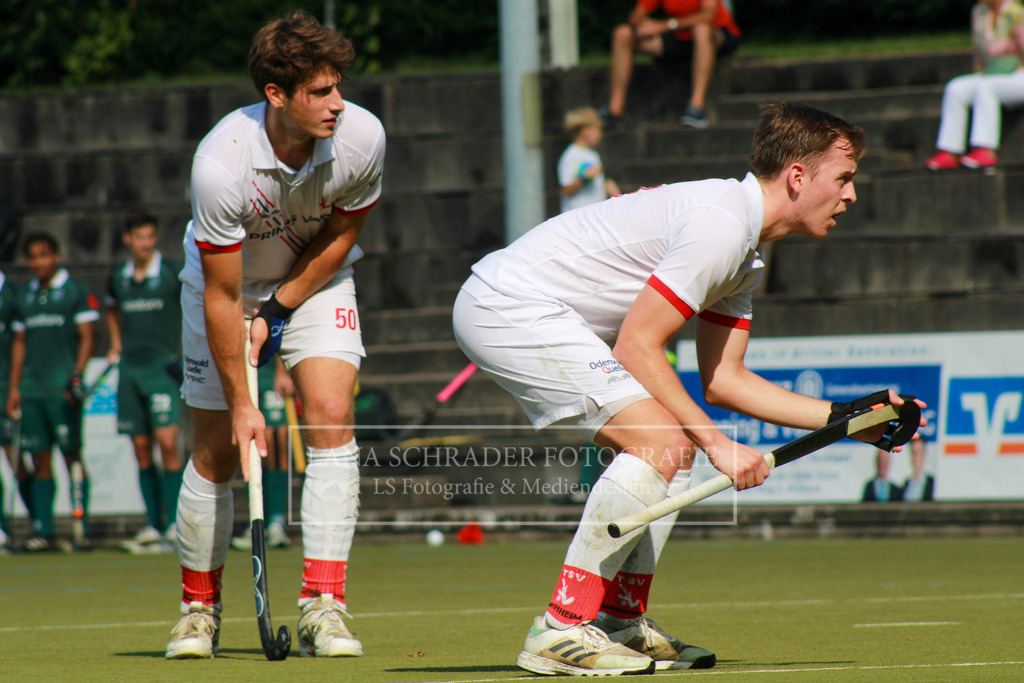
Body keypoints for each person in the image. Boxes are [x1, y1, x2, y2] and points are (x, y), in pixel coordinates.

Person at [453, 103, 927, 676]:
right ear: (798, 176)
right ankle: (562, 626)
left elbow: (725, 380)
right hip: (508, 306)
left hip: (533, 309)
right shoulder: (721, 227)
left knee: (668, 452)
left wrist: (848, 417)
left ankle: (615, 621)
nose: (851, 196)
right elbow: (637, 346)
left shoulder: (745, 251)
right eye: (844, 178)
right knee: (664, 442)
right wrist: (715, 444)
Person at [164, 9, 385, 660]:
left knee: (330, 410)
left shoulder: (362, 137)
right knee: (218, 448)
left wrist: (282, 307)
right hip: (224, 287)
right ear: (276, 95)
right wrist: (243, 403)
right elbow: (224, 292)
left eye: (338, 86)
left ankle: (324, 605)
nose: (337, 104)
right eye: (320, 92)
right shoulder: (221, 163)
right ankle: (197, 611)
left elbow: (343, 233)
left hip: (313, 279)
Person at [6, 233, 100, 552]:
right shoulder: (25, 295)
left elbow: (87, 336)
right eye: (33, 257)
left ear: (56, 256)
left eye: (44, 256)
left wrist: (76, 375)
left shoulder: (74, 290)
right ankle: (43, 530)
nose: (39, 263)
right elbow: (19, 343)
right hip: (32, 389)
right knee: (39, 459)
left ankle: (79, 527)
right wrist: (15, 387)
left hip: (62, 391)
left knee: (72, 454)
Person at [105, 213, 185, 554]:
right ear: (128, 239)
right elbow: (111, 309)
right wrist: (115, 342)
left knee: (168, 444)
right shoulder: (118, 278)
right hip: (130, 372)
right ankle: (154, 524)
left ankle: (176, 525)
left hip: (161, 370)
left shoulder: (170, 273)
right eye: (140, 237)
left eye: (151, 236)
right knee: (140, 449)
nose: (146, 243)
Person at [600, 0, 741, 130]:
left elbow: (708, 15)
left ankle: (696, 107)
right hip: (678, 37)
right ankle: (615, 111)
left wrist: (663, 26)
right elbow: (637, 15)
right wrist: (644, 24)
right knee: (622, 33)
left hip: (716, 35)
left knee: (702, 29)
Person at [925, 0, 1024, 170]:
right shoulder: (980, 13)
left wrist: (1009, 50)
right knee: (956, 88)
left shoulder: (1017, 13)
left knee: (986, 87)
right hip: (992, 74)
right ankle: (949, 151)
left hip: (1019, 74)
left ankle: (985, 149)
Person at [231, 357, 294, 551]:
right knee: (248, 450)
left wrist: (282, 373)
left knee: (274, 443)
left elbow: (277, 328)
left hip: (268, 374)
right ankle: (257, 524)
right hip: (238, 376)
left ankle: (275, 522)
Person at [557, 107, 621, 214]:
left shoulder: (592, 154)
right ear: (585, 132)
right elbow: (566, 191)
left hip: (594, 215)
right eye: (598, 129)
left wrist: (606, 185)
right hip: (578, 218)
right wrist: (584, 178)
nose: (601, 134)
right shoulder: (571, 155)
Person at [0, 269, 19, 553]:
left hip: (6, 386)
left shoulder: (12, 293)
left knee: (16, 457)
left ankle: (42, 526)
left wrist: (15, 387)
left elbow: (21, 343)